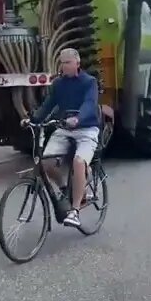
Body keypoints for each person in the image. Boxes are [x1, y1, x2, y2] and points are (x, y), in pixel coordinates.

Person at [22, 47, 100, 228]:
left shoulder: (89, 82)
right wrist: (32, 120)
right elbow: (48, 105)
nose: (64, 66)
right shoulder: (58, 84)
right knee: (46, 162)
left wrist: (78, 118)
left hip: (86, 129)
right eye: (62, 63)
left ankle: (74, 211)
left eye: (68, 63)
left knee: (79, 162)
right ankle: (66, 188)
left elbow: (89, 104)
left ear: (77, 63)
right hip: (64, 128)